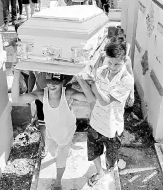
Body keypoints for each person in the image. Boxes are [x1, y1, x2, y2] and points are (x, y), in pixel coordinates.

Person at [12, 70, 94, 190]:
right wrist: (16, 73)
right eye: (49, 82)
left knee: (60, 159)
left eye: (56, 82)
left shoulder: (68, 94)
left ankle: (58, 182)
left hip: (66, 133)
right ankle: (64, 150)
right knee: (51, 150)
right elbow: (16, 99)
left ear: (62, 82)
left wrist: (80, 78)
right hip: (51, 131)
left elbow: (90, 99)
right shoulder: (41, 94)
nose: (52, 85)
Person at [78, 41, 134, 187]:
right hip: (95, 122)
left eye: (117, 65)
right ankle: (99, 172)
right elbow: (92, 98)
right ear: (106, 58)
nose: (112, 67)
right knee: (93, 152)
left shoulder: (126, 80)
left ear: (124, 62)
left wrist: (93, 84)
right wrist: (80, 79)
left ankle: (109, 170)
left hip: (112, 128)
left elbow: (105, 101)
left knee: (111, 159)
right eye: (110, 62)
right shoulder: (100, 71)